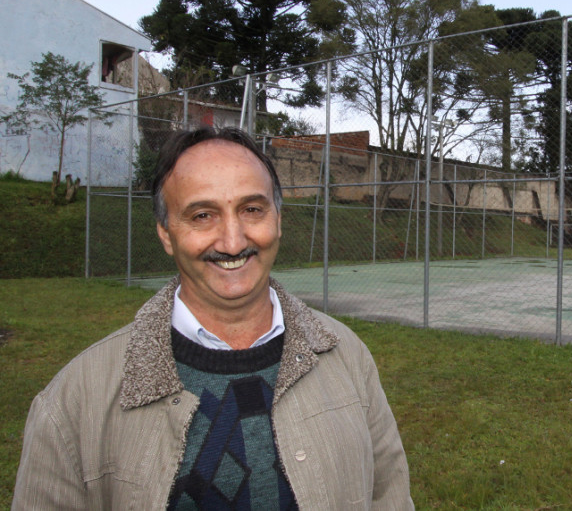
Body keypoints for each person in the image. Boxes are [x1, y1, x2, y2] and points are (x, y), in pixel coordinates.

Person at [13, 127, 413, 510]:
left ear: (278, 219)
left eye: (252, 209)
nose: (233, 241)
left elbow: (389, 497)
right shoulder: (74, 399)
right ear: (166, 234)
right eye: (202, 215)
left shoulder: (349, 358)